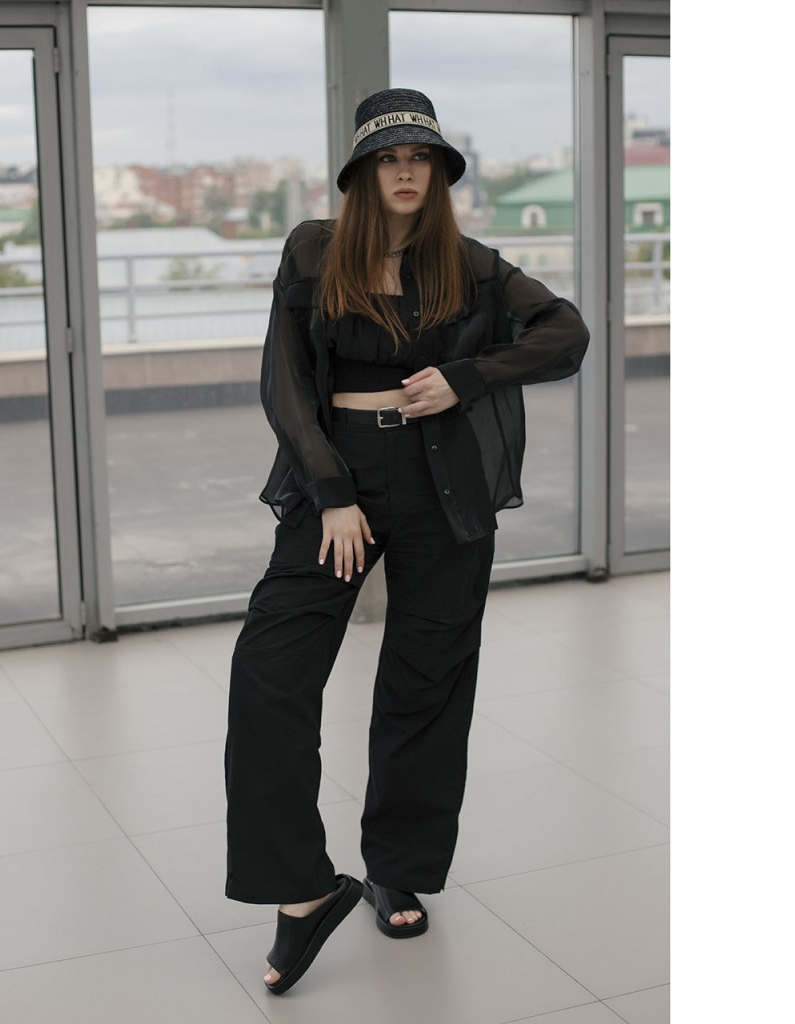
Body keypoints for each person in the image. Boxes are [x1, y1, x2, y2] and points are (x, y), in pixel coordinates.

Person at [224, 88, 590, 995]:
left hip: (441, 484)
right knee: (270, 675)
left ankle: (399, 867)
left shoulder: (471, 264)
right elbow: (284, 381)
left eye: (420, 158)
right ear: (360, 173)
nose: (404, 173)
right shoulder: (314, 249)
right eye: (388, 158)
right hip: (336, 483)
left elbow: (566, 333)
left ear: (439, 172)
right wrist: (331, 494)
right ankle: (304, 888)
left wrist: (468, 376)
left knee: (427, 682)